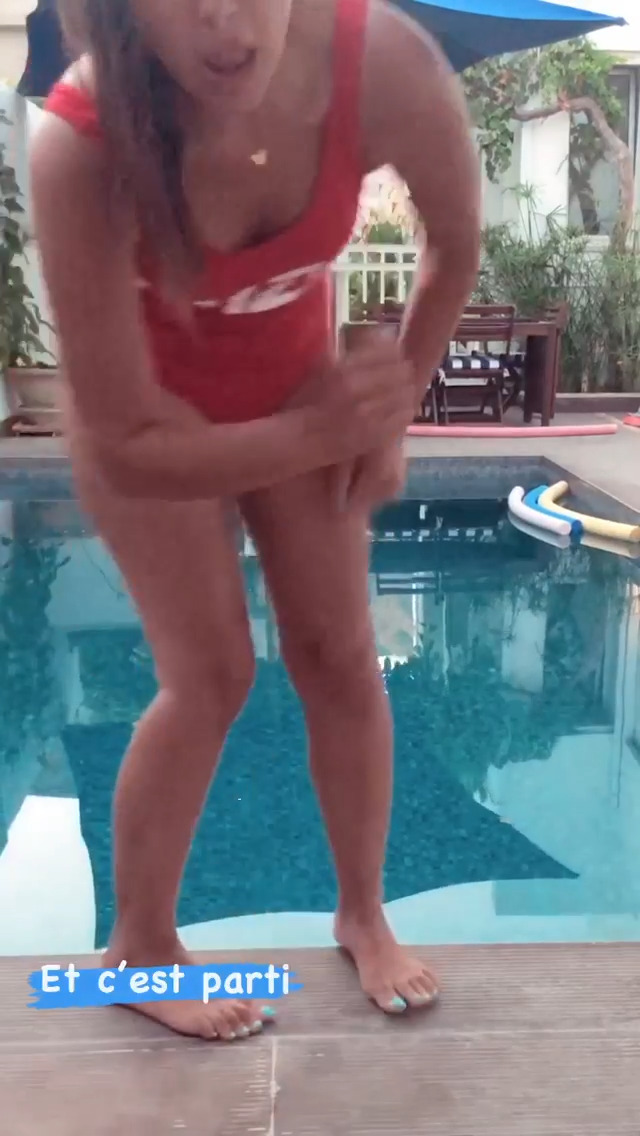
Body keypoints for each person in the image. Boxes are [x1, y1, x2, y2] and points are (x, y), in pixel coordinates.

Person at [30, 0, 481, 1042]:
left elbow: (454, 245)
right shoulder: (79, 141)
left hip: (295, 388)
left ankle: (362, 914)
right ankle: (137, 952)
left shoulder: (385, 63)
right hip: (151, 426)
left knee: (340, 654)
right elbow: (131, 444)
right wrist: (327, 429)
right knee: (212, 675)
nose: (222, 19)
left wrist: (387, 407)